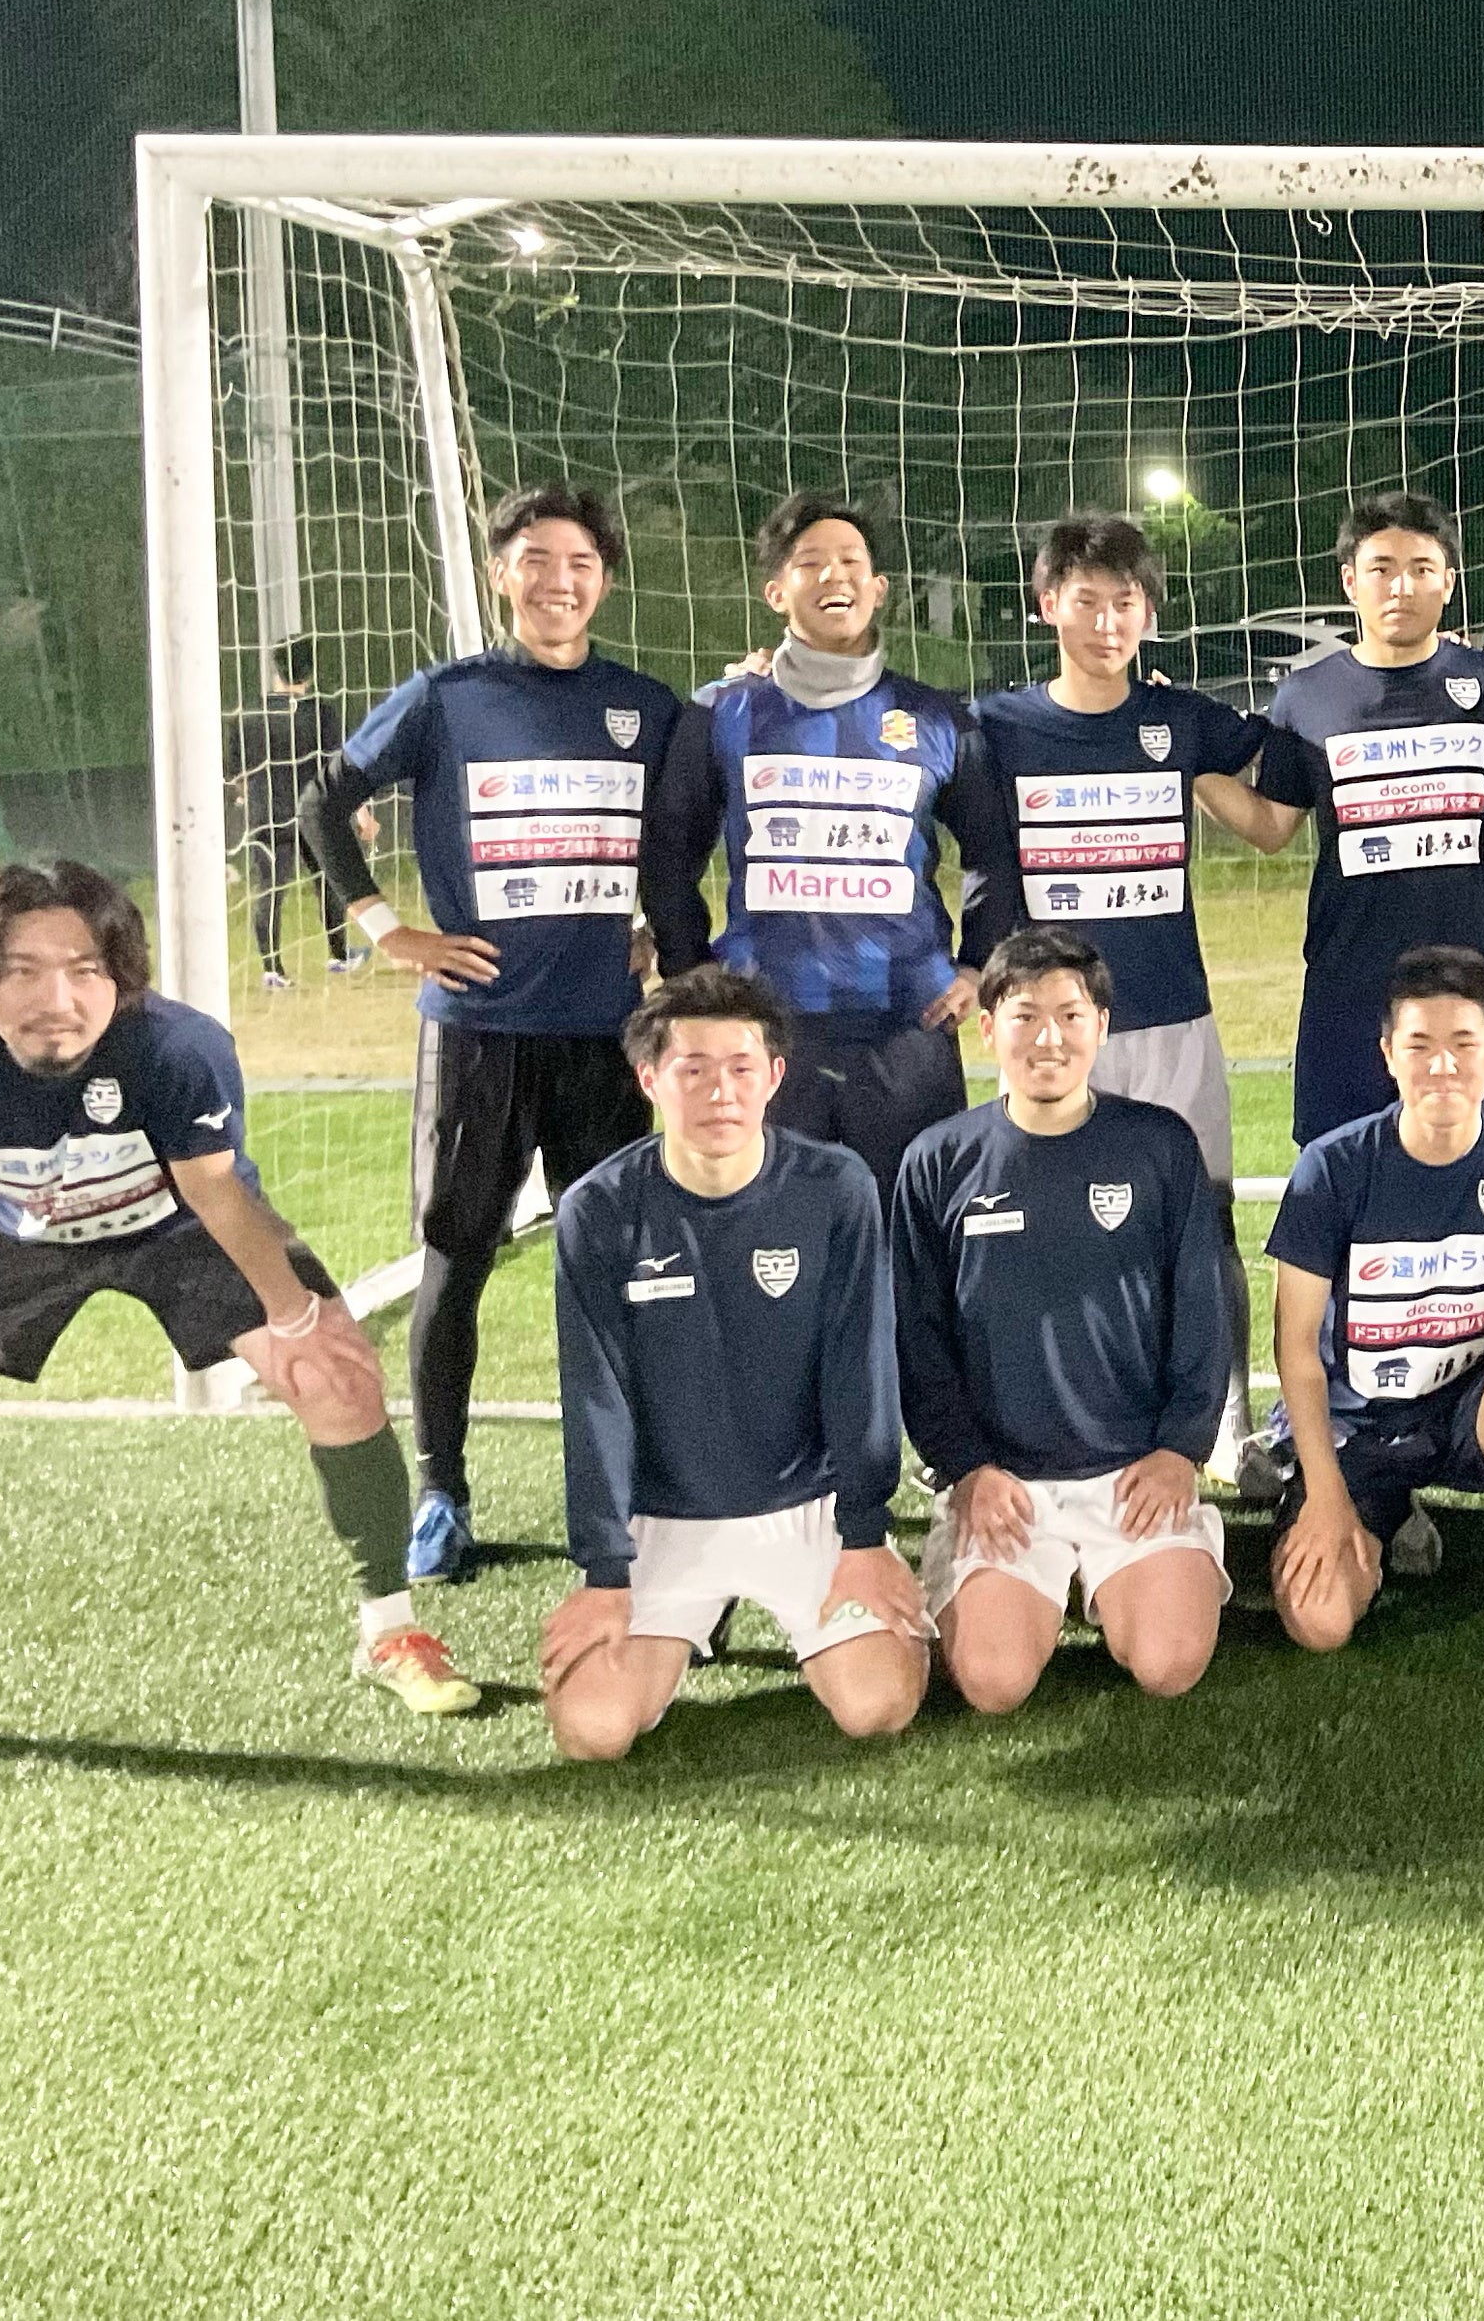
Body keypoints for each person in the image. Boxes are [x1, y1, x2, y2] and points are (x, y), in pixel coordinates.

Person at [0, 862, 473, 1783]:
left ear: (120, 976)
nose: (57, 999)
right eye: (23, 970)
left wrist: (297, 1313)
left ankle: (390, 1632)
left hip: (177, 1227)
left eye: (84, 970)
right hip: (15, 1232)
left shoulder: (177, 1048)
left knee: (335, 1376)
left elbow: (216, 1192)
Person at [304, 481, 688, 1585]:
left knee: (615, 1267)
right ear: (501, 574)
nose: (559, 580)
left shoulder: (645, 707)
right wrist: (389, 931)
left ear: (604, 581)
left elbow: (684, 835)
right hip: (478, 1032)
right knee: (456, 1259)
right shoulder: (446, 697)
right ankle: (443, 1491)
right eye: (537, 559)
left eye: (580, 563)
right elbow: (323, 805)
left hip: (606, 1037)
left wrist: (659, 934)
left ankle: (630, 1484)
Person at [539, 967, 926, 1760]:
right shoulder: (599, 1210)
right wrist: (606, 1571)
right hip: (665, 1517)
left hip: (808, 1507)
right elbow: (595, 1396)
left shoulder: (835, 1187)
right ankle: (686, 1613)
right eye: (693, 1069)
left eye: (741, 1067)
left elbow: (860, 1369)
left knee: (878, 1704)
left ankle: (878, 1608)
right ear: (650, 1078)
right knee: (593, 1728)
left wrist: (864, 1535)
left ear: (775, 1075)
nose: (721, 1091)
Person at [971, 511, 1290, 1459]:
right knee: (1043, 1229)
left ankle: (1228, 1426)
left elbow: (1285, 776)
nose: (1107, 621)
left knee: (1207, 1224)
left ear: (1148, 611)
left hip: (1171, 1018)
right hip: (1050, 1030)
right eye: (1087, 600)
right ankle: (1049, 1421)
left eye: (1126, 601)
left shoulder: (1178, 719)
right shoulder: (996, 727)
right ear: (1047, 605)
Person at [891, 930, 1238, 1712]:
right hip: (1005, 1479)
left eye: (1071, 1015)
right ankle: (1009, 1583)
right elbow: (919, 1340)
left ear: (1101, 1025)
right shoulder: (938, 1161)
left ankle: (1113, 1583)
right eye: (1025, 1016)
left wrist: (1181, 1448)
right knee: (993, 1682)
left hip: (1133, 1469)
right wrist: (967, 1467)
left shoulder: (1159, 1145)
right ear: (988, 1027)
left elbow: (1201, 1310)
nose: (1049, 1037)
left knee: (1169, 1663)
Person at [640, 494, 1015, 1194]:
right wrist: (691, 971)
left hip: (906, 1022)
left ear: (878, 588)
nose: (833, 575)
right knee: (775, 1230)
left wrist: (975, 966)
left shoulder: (937, 718)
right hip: (767, 1027)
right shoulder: (723, 710)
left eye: (850, 561)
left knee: (913, 1228)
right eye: (810, 562)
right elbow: (667, 852)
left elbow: (993, 852)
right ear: (777, 591)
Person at [1262, 945, 1484, 1650]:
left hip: (1480, 1412)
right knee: (1321, 1623)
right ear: (1389, 1054)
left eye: (1464, 1043)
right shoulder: (1331, 1167)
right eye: (1420, 1045)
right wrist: (1326, 1497)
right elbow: (1294, 1348)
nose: (1443, 1065)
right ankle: (1384, 1509)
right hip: (1359, 1427)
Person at [1253, 494, 1484, 1145]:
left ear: (1448, 581)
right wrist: (1190, 764)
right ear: (1350, 581)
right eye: (1382, 568)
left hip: (1467, 983)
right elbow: (1271, 826)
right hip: (1347, 985)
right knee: (1339, 1175)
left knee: (1479, 1168)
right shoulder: (1306, 696)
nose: (1401, 586)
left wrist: (1469, 850)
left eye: (1421, 568)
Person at [232, 635, 370, 986]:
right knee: (329, 882)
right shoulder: (321, 713)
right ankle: (338, 955)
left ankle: (272, 970)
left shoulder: (251, 714)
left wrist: (247, 796)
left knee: (270, 891)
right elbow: (340, 769)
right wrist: (362, 812)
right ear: (309, 673)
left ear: (275, 670)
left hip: (266, 815)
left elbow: (237, 774)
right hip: (312, 814)